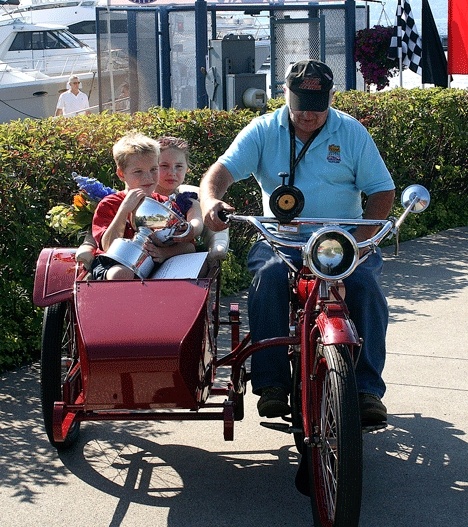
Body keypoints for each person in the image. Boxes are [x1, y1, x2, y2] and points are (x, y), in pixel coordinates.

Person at [200, 59, 396, 425]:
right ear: (285, 95)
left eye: (318, 106)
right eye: (302, 104)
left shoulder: (350, 132)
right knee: (268, 278)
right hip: (282, 238)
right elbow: (221, 171)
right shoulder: (262, 130)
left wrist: (360, 238)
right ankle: (271, 384)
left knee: (365, 285)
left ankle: (368, 390)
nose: (309, 115)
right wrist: (211, 200)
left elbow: (382, 189)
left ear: (331, 98)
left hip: (340, 240)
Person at [90, 132, 195, 280]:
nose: (148, 177)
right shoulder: (110, 203)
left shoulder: (164, 203)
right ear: (121, 174)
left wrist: (164, 253)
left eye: (153, 169)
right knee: (120, 274)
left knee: (198, 267)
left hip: (153, 264)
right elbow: (107, 246)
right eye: (138, 171)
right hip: (113, 263)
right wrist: (124, 209)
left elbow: (189, 246)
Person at [155, 136, 203, 242]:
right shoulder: (143, 197)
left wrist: (190, 228)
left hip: (176, 253)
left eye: (179, 166)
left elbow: (197, 220)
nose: (172, 172)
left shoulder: (187, 202)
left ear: (187, 169)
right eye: (164, 165)